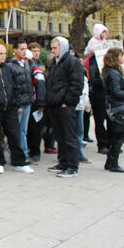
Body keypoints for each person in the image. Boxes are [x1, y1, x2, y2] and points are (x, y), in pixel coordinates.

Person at [0, 44, 34, 175]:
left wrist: (15, 103)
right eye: (0, 53)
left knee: (14, 135)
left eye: (4, 53)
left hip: (10, 107)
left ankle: (19, 162)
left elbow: (16, 86)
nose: (3, 56)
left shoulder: (8, 68)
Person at [45, 37, 84, 178]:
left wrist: (68, 101)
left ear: (63, 47)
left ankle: (72, 166)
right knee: (60, 136)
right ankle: (63, 162)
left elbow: (77, 84)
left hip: (65, 105)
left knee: (69, 136)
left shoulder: (72, 62)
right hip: (54, 104)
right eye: (52, 47)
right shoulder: (56, 62)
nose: (52, 50)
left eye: (55, 47)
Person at [7, 38, 33, 161]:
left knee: (23, 131)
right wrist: (16, 105)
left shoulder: (26, 64)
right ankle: (18, 155)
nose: (24, 51)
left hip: (27, 101)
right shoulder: (10, 66)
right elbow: (10, 87)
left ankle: (23, 153)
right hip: (18, 104)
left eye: (25, 49)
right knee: (16, 131)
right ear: (15, 50)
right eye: (22, 49)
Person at [25, 49, 46, 163]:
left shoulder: (36, 71)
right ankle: (30, 149)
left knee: (35, 129)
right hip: (27, 102)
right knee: (28, 129)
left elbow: (41, 87)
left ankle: (35, 152)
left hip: (35, 103)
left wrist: (41, 103)